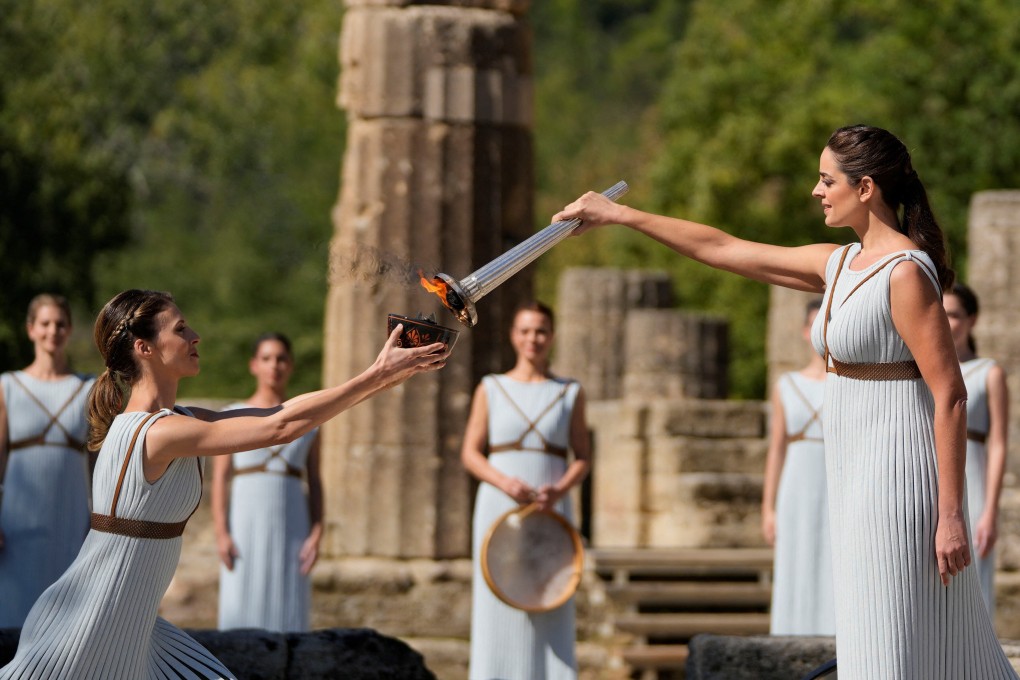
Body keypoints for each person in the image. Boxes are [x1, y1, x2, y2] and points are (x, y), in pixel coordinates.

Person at [553, 125, 1017, 678]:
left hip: (899, 478)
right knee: (872, 633)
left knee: (896, 635)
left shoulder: (906, 273)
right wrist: (621, 215)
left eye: (827, 180)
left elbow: (951, 395)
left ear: (865, 187)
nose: (816, 191)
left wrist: (949, 516)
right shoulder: (840, 265)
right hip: (854, 473)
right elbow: (724, 248)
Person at [0, 289, 447, 679]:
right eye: (180, 329)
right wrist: (376, 375)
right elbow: (281, 429)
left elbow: (279, 413)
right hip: (92, 620)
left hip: (132, 627)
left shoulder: (177, 421)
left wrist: (383, 377)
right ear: (145, 348)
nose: (195, 337)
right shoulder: (153, 433)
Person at [461, 301, 591, 680]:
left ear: (551, 337)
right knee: (496, 598)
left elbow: (582, 457)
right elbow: (470, 453)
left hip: (551, 506)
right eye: (525, 331)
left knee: (552, 592)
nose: (532, 338)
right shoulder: (491, 387)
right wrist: (504, 482)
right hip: (499, 503)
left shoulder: (569, 391)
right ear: (513, 336)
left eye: (540, 331)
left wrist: (560, 488)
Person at [212, 332, 323, 632]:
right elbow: (221, 479)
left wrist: (317, 532)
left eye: (281, 358)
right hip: (245, 522)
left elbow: (315, 480)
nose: (274, 365)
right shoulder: (232, 415)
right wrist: (222, 532)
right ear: (254, 365)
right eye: (267, 358)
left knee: (288, 604)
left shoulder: (308, 420)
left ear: (291, 365)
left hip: (293, 522)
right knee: (242, 599)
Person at [0, 294, 95, 628]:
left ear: (69, 330)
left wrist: (99, 520)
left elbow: (98, 463)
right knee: (14, 609)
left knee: (65, 617)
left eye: (60, 324)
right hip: (17, 518)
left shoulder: (89, 388)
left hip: (70, 515)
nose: (52, 331)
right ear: (31, 330)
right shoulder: (8, 386)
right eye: (45, 323)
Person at [761, 298, 834, 635]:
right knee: (797, 558)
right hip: (797, 484)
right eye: (816, 324)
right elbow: (776, 449)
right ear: (806, 332)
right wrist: (768, 507)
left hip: (836, 480)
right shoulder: (787, 385)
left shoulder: (852, 383)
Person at [943, 282, 1009, 614]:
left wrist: (990, 511)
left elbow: (998, 443)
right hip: (936, 473)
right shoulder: (926, 369)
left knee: (973, 574)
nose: (946, 321)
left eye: (954, 314)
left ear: (972, 320)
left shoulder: (989, 373)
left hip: (974, 475)